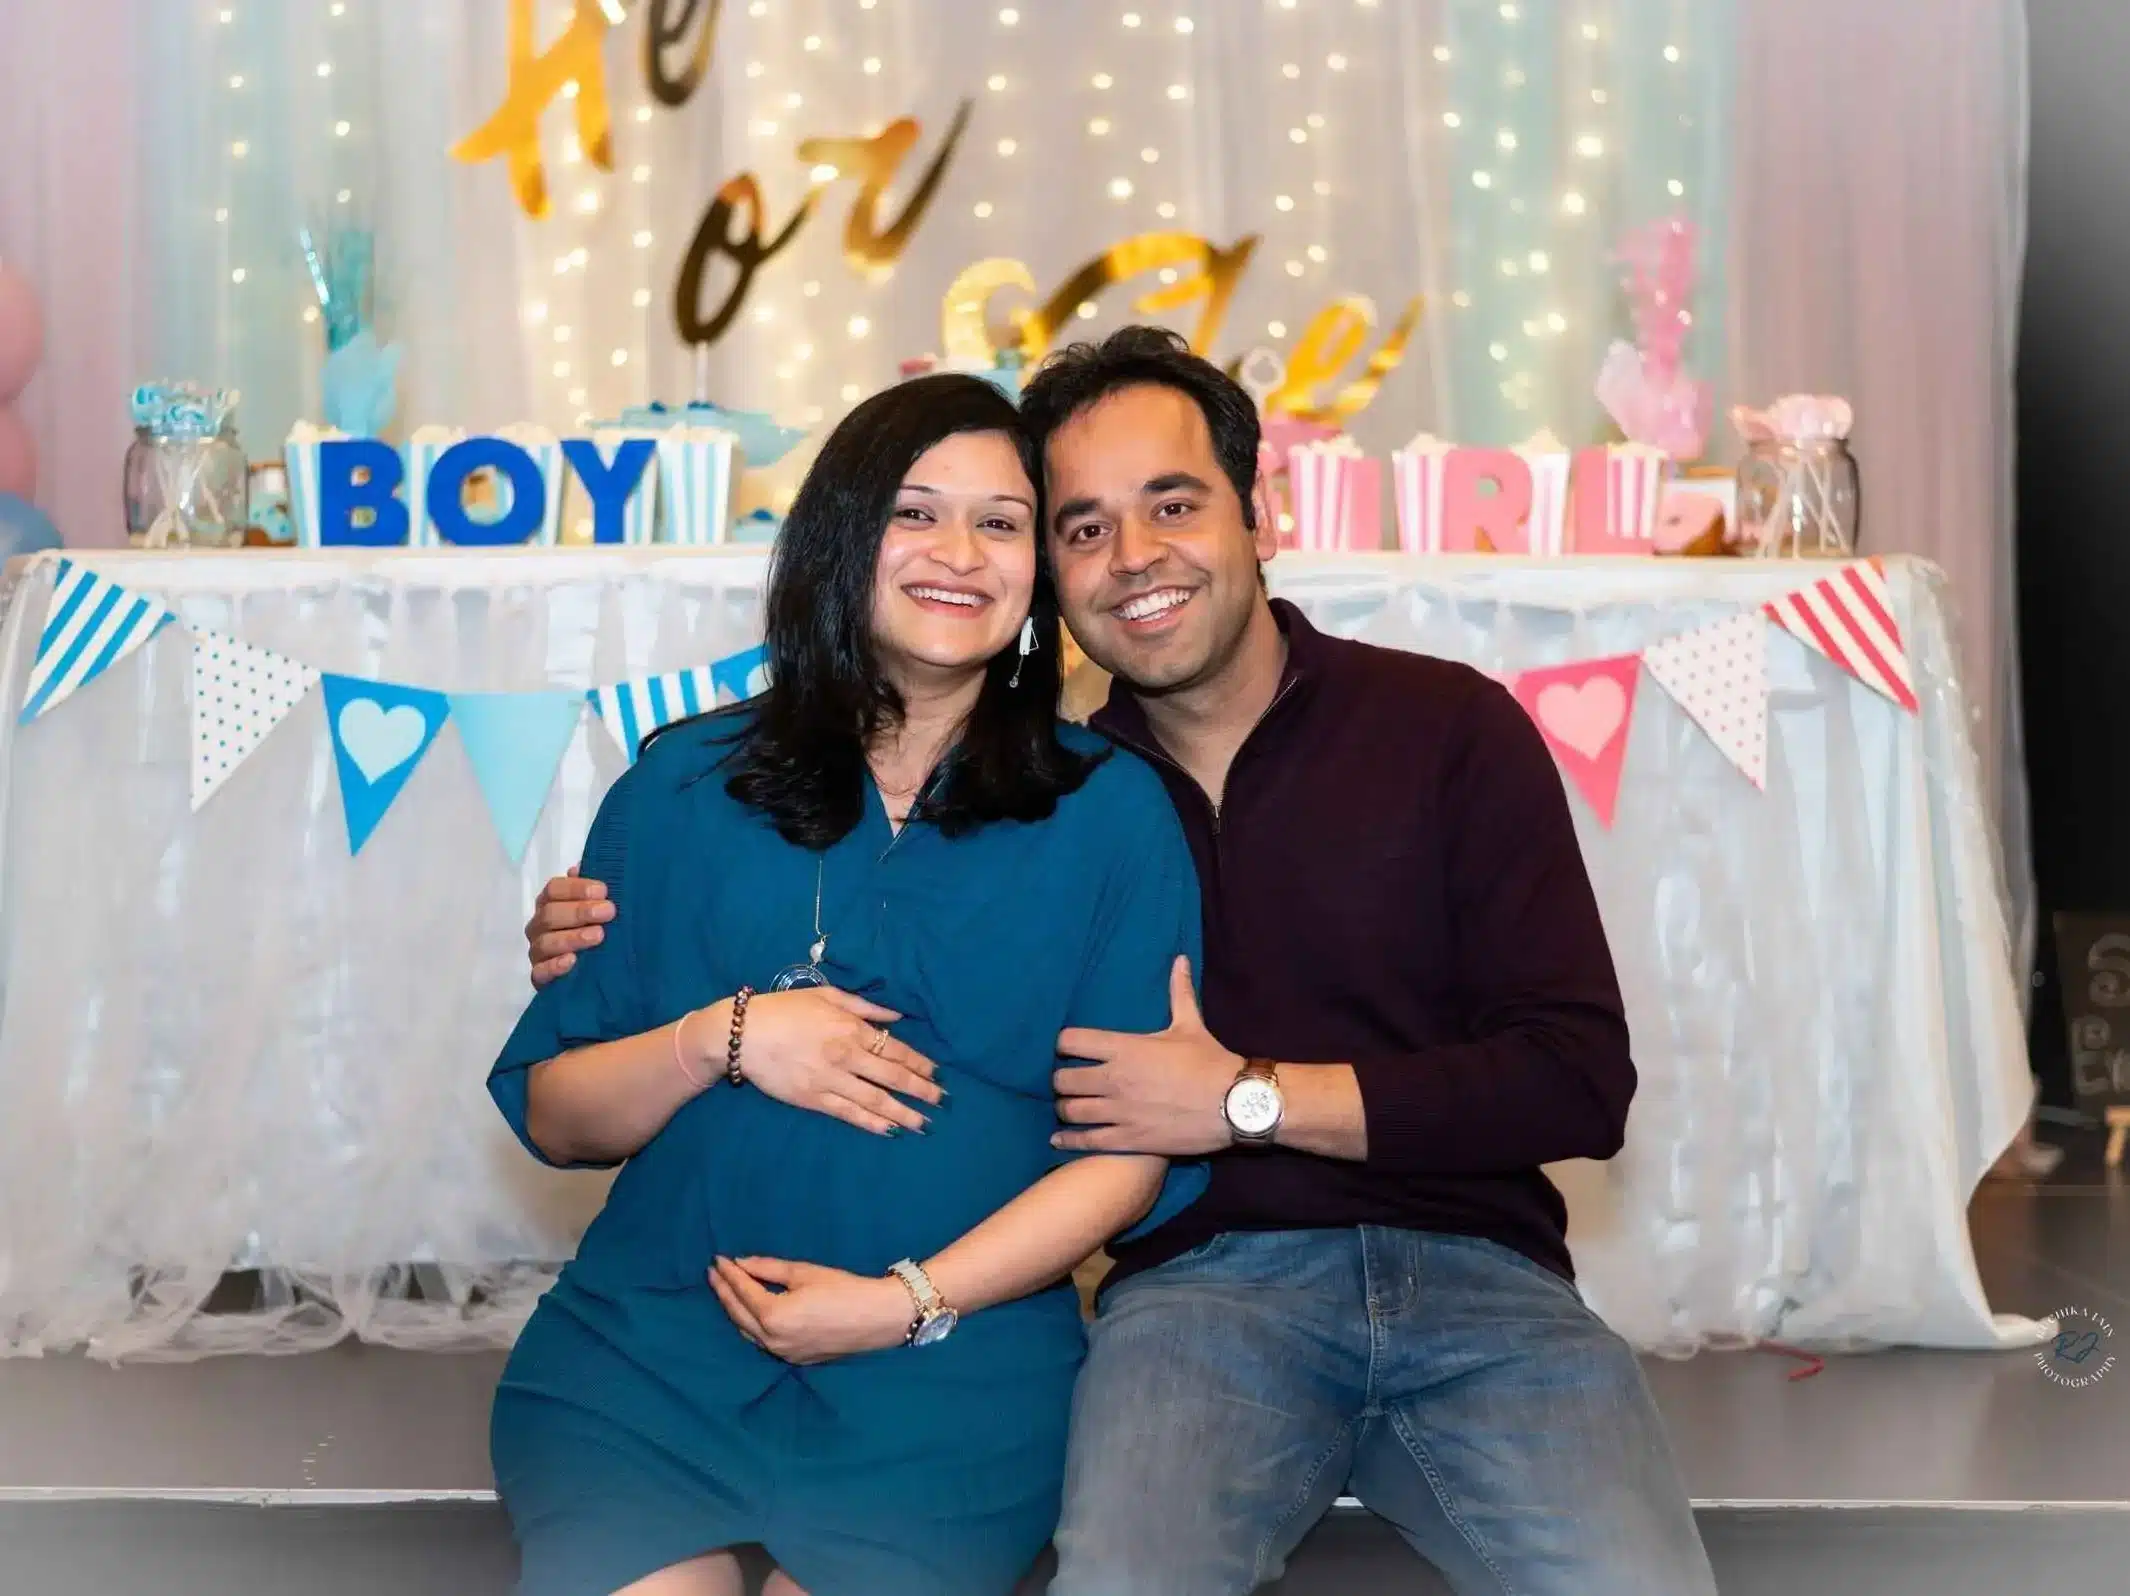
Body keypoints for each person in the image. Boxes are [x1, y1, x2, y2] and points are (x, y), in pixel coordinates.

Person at [527, 328, 1717, 1595]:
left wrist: (1247, 1098)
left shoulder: (1444, 728)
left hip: (1483, 1283)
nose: (1134, 556)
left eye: (1173, 503)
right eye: (1084, 527)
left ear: (1257, 514)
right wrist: (650, 967)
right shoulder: (1057, 787)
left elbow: (1578, 1081)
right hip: (1206, 1298)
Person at [488, 371, 1208, 1596]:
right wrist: (722, 1036)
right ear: (838, 539)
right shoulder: (680, 784)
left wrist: (901, 1303)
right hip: (653, 1355)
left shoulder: (1112, 812)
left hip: (952, 1373)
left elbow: (1126, 1152)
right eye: (915, 513)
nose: (959, 554)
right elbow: (556, 1117)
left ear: (1037, 572)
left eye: (1001, 522)